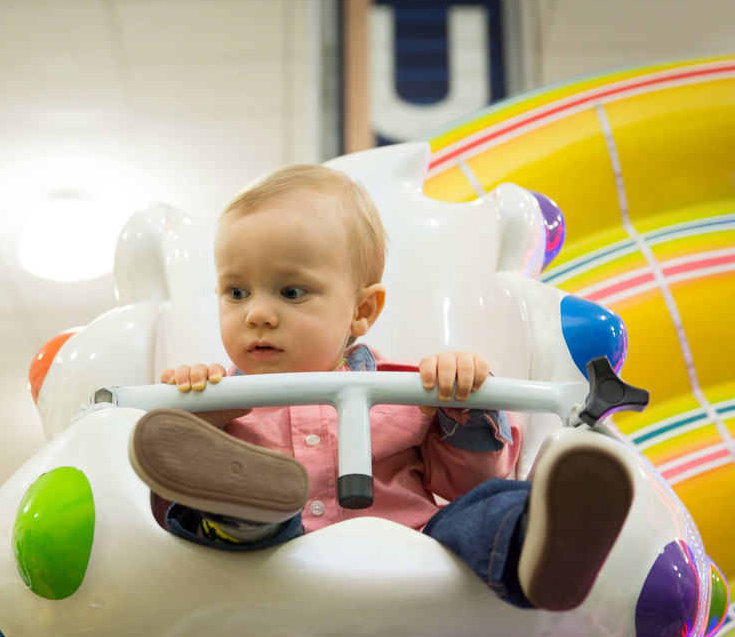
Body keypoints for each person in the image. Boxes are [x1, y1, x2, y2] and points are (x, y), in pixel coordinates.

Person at [128, 164, 633, 611]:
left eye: (291, 291)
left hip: (410, 548)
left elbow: (469, 484)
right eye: (236, 292)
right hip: (264, 559)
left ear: (362, 310)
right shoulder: (215, 398)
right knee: (214, 502)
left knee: (479, 511)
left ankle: (539, 539)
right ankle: (243, 506)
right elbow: (151, 507)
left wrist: (462, 404)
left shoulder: (408, 388)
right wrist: (190, 418)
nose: (257, 313)